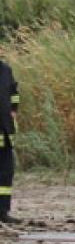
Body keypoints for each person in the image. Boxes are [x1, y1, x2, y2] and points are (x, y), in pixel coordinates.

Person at [0, 59, 20, 224]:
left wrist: (14, 110)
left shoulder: (6, 70)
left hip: (5, 134)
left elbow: (14, 93)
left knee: (6, 175)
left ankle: (3, 212)